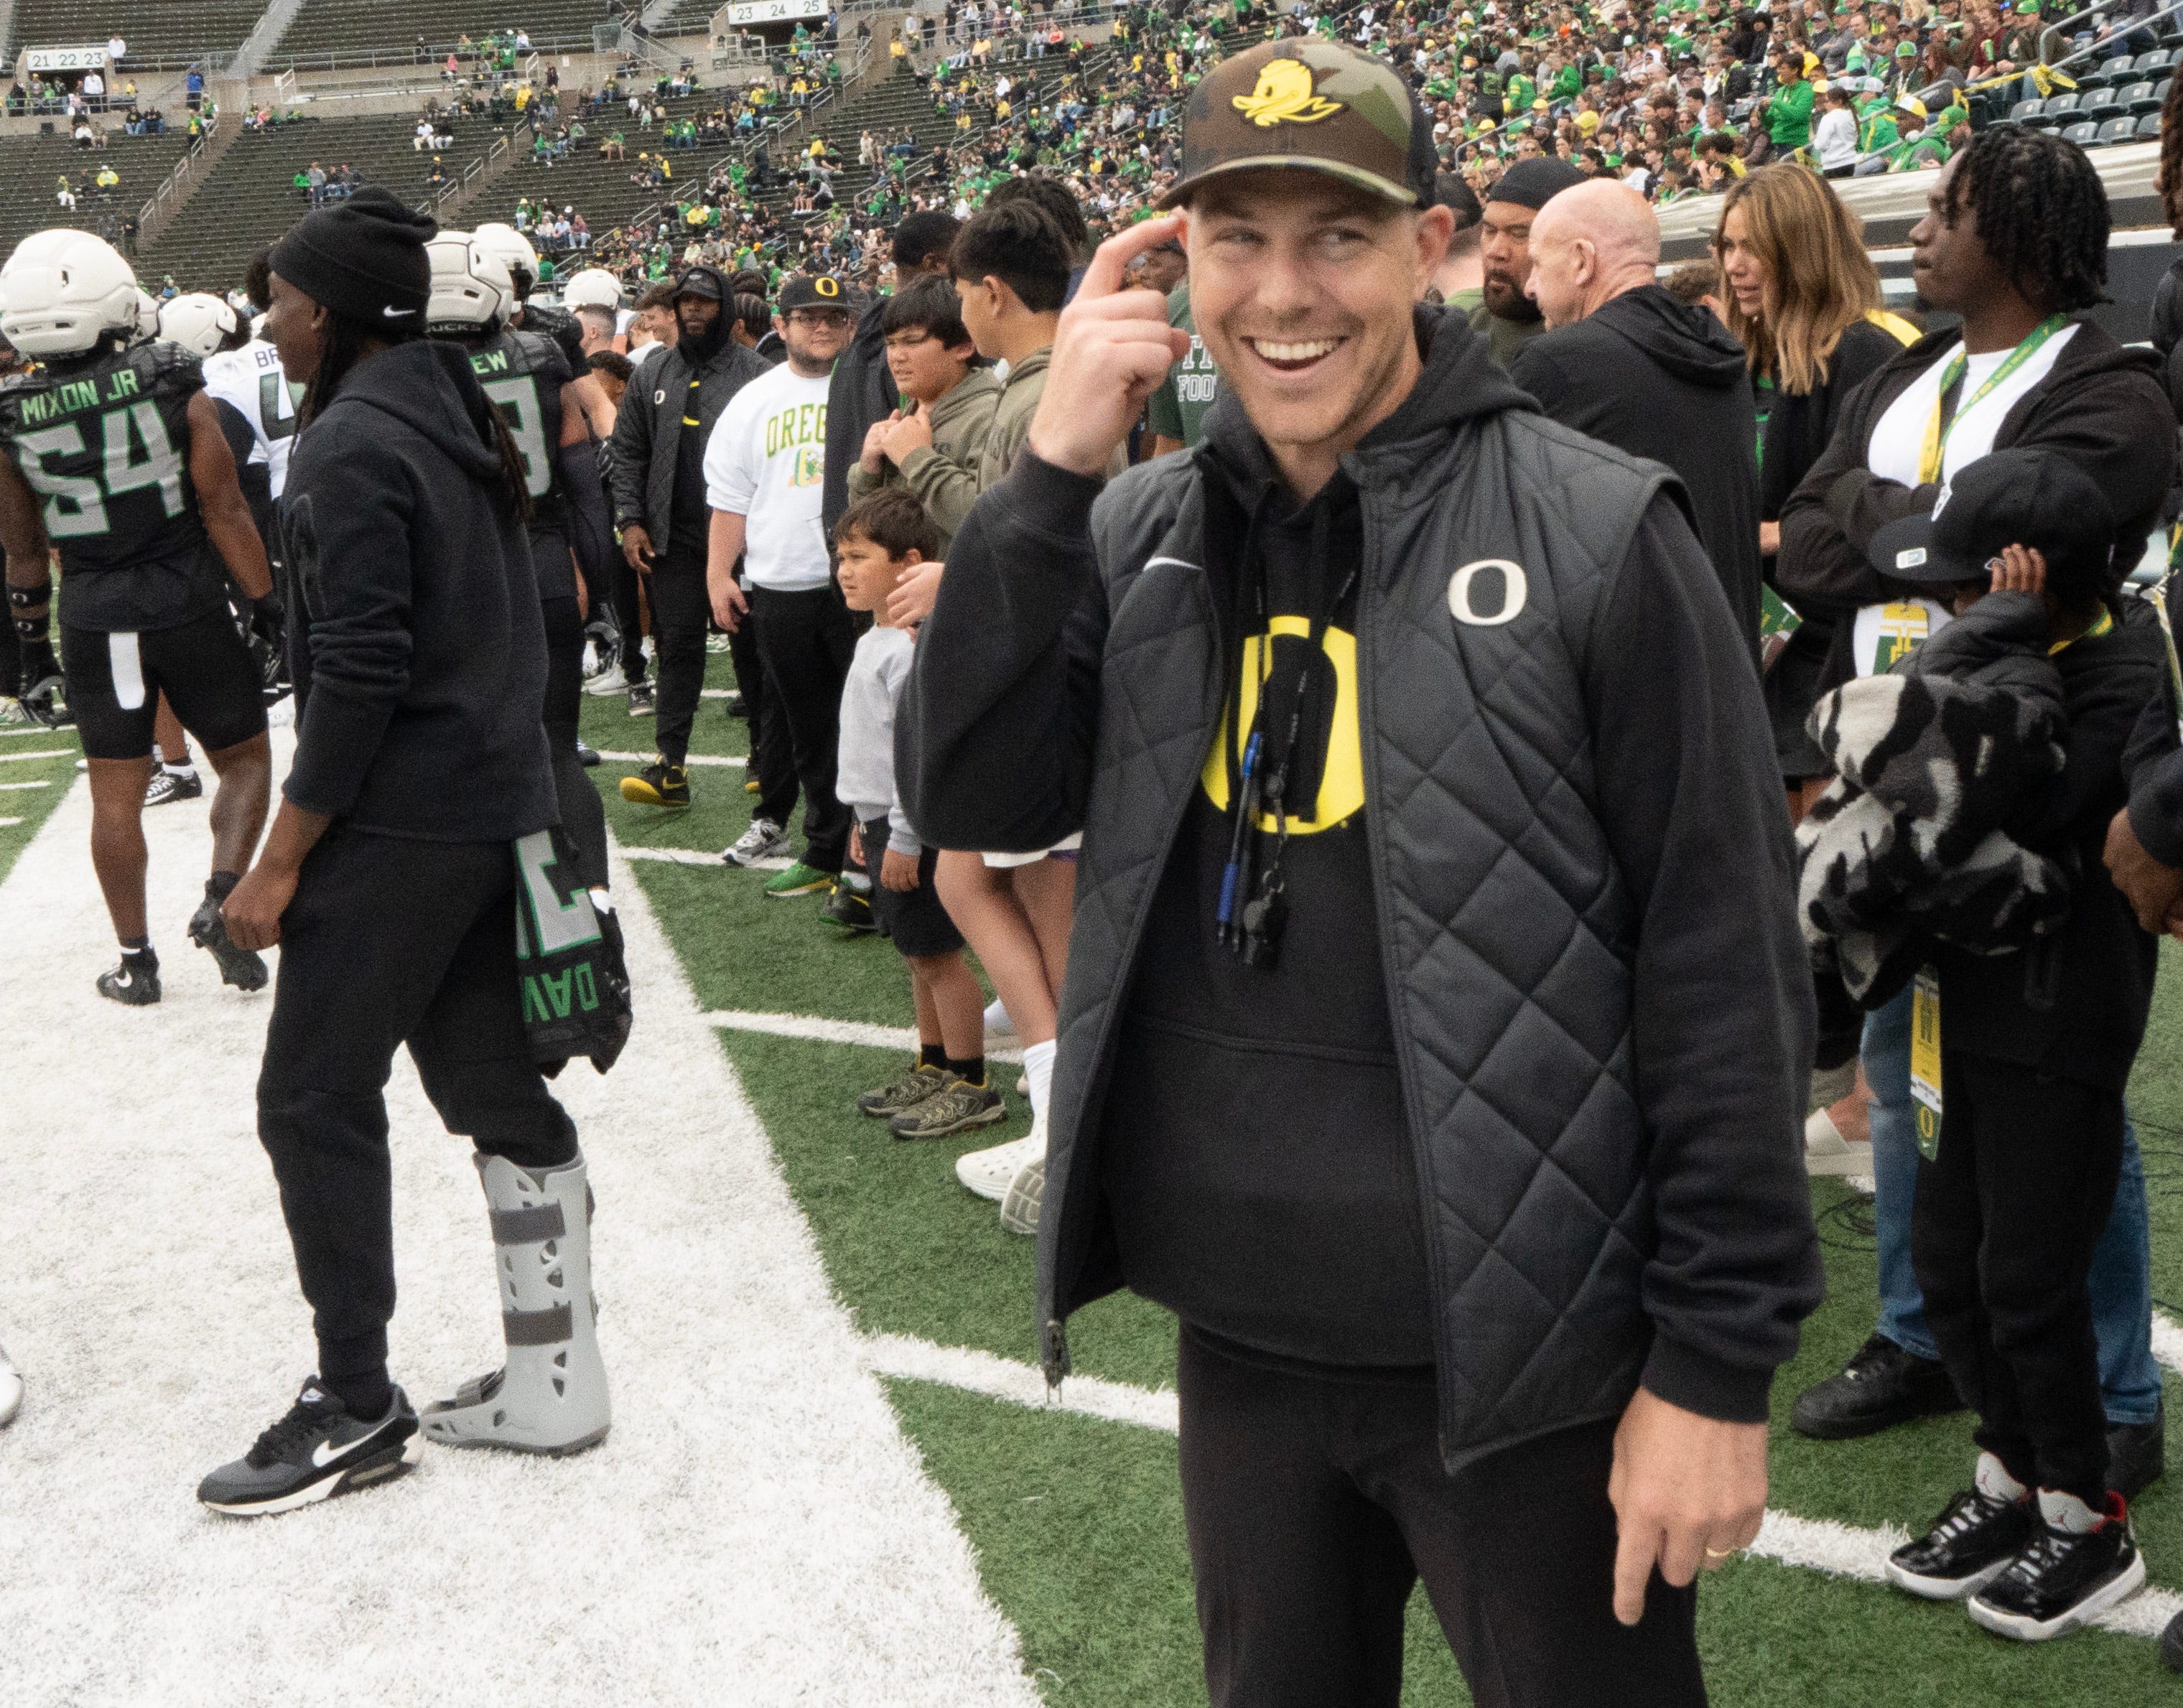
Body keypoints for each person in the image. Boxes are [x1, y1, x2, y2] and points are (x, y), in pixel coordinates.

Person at [899, 39, 1820, 1705]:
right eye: (1236, 239)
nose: (1281, 291)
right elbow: (970, 786)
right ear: (1175, 261)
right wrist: (1046, 472)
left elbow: (1723, 961)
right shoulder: (1139, 527)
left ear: (1436, 247)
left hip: (1525, 1350)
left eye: (1336, 234)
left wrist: (1714, 1361)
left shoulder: (1599, 530)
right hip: (1239, 1332)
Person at [202, 187, 608, 1515]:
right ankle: (560, 1376)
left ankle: (354, 1396)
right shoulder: (455, 404)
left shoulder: (353, 445)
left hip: (401, 818)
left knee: (310, 1096)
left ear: (335, 311)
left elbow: (363, 673)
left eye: (288, 296)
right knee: (494, 1085)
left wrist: (276, 860)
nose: (271, 315)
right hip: (489, 800)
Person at [1776, 131, 2172, 1490]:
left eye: (1947, 209)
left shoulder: (2112, 386)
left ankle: (2116, 1388)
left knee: (2059, 1109)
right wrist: (1927, 529)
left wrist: (1891, 529)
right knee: (1906, 1079)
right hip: (1898, 778)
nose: (1920, 232)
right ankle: (1924, 1334)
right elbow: (1813, 536)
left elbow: (2065, 528)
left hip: (2029, 786)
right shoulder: (1903, 371)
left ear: (2017, 226)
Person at [1801, 449, 2164, 1638]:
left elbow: (1957, 795)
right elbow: (1880, 753)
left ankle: (2086, 1518)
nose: (1948, 604)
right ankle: (2012, 1474)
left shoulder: (2119, 675)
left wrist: (1988, 644)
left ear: (2033, 579)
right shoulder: (2015, 657)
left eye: (1974, 581)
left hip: (2061, 1019)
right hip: (1958, 1009)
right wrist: (1984, 647)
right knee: (1950, 1259)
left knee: (2028, 1275)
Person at [0, 230, 275, 1006]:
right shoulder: (168, 376)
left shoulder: (10, 413)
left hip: (94, 615)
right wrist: (266, 603)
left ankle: (136, 962)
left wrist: (31, 650)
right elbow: (222, 506)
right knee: (247, 762)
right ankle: (222, 895)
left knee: (114, 797)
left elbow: (22, 552)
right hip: (186, 599)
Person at [424, 230, 613, 892]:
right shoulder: (539, 358)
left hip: (450, 583)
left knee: (461, 758)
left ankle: (497, 915)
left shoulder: (402, 372)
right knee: (557, 746)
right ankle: (596, 915)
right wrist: (598, 584)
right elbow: (584, 486)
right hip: (542, 566)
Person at [1513, 179, 1762, 655]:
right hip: (1728, 676)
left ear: (1582, 261)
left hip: (1633, 684)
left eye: (1538, 265)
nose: (1529, 286)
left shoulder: (1560, 363)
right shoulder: (1720, 351)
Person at [834, 488, 1004, 1137]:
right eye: (839, 556)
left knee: (937, 957)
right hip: (881, 822)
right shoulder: (877, 637)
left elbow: (919, 754)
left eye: (858, 556)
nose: (844, 569)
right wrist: (862, 822)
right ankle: (934, 1064)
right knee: (916, 954)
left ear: (909, 562)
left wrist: (903, 835)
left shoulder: (907, 650)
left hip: (914, 828)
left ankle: (971, 1082)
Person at [702, 273, 857, 901]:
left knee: (869, 721)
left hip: (857, 585)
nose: (822, 326)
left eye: (834, 317)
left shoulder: (866, 389)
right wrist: (718, 573)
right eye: (808, 316)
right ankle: (824, 846)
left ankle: (868, 850)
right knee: (806, 722)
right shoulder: (753, 399)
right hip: (781, 583)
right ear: (783, 325)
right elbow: (730, 498)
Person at [607, 265, 771, 798]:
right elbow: (628, 451)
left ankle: (763, 756)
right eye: (686, 302)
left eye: (704, 301)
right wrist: (630, 521)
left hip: (740, 541)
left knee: (751, 649)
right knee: (675, 647)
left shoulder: (755, 373)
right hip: (671, 540)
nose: (694, 310)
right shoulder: (655, 371)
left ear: (724, 306)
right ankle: (670, 763)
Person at [821, 209, 959, 547]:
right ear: (935, 265)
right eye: (962, 260)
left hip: (856, 537)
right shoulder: (920, 350)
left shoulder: (855, 347)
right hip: (901, 550)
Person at [845, 274, 1000, 551]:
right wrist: (868, 470)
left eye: (912, 341)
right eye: (891, 343)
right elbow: (874, 535)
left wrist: (916, 458)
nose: (896, 356)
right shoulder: (907, 414)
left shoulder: (990, 415)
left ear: (964, 345)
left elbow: (988, 523)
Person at [1468, 154, 1584, 366]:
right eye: (1490, 230)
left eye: (1520, 233)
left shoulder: (1593, 348)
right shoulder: (1463, 334)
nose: (1495, 251)